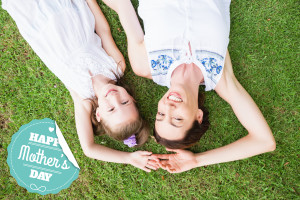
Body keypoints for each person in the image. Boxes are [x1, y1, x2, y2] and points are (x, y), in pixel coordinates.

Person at [103, 0, 276, 173]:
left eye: (161, 114)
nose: (169, 107)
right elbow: (264, 141)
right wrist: (196, 160)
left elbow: (122, 5)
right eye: (177, 119)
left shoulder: (145, 66)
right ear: (198, 116)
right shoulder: (219, 76)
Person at [2, 0, 159, 172]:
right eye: (124, 103)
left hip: (41, 27)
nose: (114, 98)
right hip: (72, 15)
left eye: (111, 109)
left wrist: (128, 158)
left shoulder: (83, 98)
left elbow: (89, 148)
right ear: (132, 98)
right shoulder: (117, 66)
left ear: (98, 114)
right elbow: (103, 31)